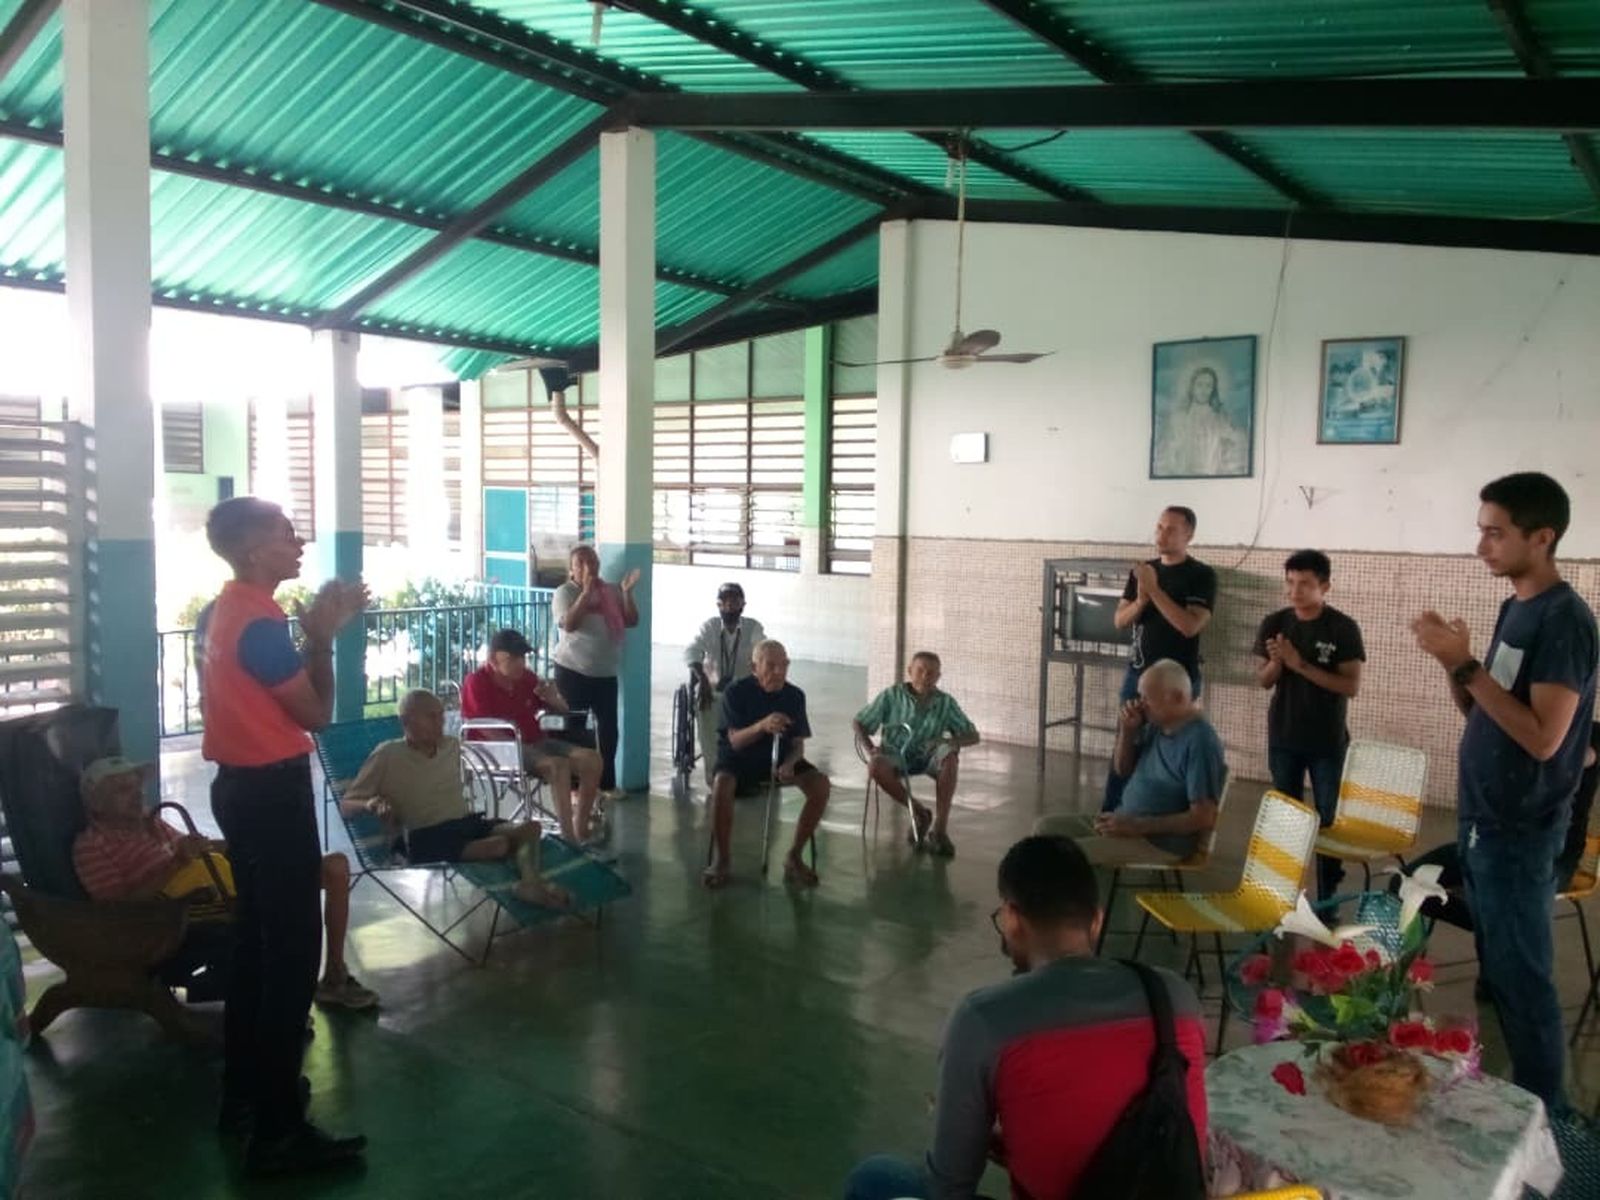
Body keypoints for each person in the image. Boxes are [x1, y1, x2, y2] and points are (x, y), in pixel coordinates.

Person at [842, 835, 1208, 1200]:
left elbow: (949, 1190)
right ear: (1096, 921)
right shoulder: (1175, 997)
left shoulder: (984, 1020)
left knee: (875, 1179)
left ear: (1012, 919)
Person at [1411, 471, 1596, 1114]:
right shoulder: (1515, 607)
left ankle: (1551, 1122)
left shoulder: (1564, 622)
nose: (1481, 545)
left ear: (1542, 537)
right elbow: (1489, 713)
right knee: (1428, 900)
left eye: (1496, 532)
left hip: (1521, 831)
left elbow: (1544, 738)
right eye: (1481, 530)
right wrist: (1453, 667)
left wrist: (1465, 664)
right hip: (1482, 823)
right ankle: (1517, 1106)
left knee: (1525, 984)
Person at [197, 496, 368, 1175]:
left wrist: (311, 632)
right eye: (283, 533)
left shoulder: (226, 609)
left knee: (256, 950)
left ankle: (243, 1098)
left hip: (239, 790)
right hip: (270, 796)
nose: (298, 540)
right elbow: (317, 714)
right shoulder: (261, 626)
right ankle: (277, 1129)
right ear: (250, 552)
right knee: (289, 960)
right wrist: (322, 637)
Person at [72, 756, 377, 1012]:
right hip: (181, 916)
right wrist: (176, 863)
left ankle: (335, 974)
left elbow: (198, 852)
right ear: (96, 804)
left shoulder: (152, 822)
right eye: (122, 789)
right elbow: (114, 910)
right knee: (277, 919)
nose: (137, 793)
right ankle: (278, 1009)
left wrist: (243, 846)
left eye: (136, 785)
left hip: (223, 887)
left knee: (335, 867)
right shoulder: (92, 845)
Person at [340, 690, 570, 908]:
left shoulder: (450, 745)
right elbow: (347, 805)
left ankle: (530, 883)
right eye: (431, 717)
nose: (440, 722)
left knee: (530, 828)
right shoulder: (387, 754)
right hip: (424, 837)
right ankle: (529, 879)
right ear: (406, 722)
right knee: (498, 845)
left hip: (464, 824)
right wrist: (370, 804)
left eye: (441, 715)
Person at [1252, 550, 1365, 899]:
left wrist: (1299, 664)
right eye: (1290, 582)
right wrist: (1277, 662)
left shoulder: (1342, 628)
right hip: (1284, 735)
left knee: (1328, 817)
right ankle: (1282, 883)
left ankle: (1328, 889)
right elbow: (1264, 680)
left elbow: (1351, 686)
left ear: (1324, 586)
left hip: (1327, 741)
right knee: (1285, 813)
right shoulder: (1275, 623)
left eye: (1304, 584)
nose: (1295, 591)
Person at [1039, 659, 1224, 867]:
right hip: (1125, 821)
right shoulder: (1157, 724)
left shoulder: (1200, 741)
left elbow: (1203, 817)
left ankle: (1077, 897)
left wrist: (1138, 826)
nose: (1140, 704)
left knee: (1065, 857)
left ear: (1177, 697)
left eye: (1147, 698)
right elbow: (1122, 770)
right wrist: (1128, 731)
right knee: (1045, 830)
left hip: (1158, 841)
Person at [1105, 506, 1217, 811]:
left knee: (1170, 751)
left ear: (1189, 535)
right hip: (1138, 677)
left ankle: (1163, 822)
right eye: (1159, 527)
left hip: (1177, 683)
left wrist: (1153, 591)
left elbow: (1189, 625)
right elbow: (1120, 620)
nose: (1161, 535)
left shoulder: (1201, 575)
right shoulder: (1142, 572)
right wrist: (1141, 599)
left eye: (1171, 529)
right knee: (1125, 745)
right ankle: (1113, 814)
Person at [704, 639, 831, 890]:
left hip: (780, 759)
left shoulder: (794, 696)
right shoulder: (736, 693)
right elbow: (736, 741)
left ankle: (794, 856)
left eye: (784, 665)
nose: (779, 672)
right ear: (754, 667)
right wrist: (761, 726)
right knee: (722, 784)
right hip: (739, 760)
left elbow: (797, 744)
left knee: (820, 785)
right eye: (771, 666)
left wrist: (790, 763)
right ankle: (723, 859)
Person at [460, 629, 605, 847]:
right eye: (513, 658)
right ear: (493, 659)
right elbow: (485, 727)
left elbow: (563, 709)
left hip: (535, 740)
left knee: (591, 759)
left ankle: (581, 827)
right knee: (557, 766)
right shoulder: (476, 682)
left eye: (522, 657)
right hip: (499, 748)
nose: (520, 663)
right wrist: (518, 747)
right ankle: (569, 838)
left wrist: (552, 697)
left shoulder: (527, 678)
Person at [852, 651, 980, 858]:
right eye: (920, 671)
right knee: (875, 765)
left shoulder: (945, 702)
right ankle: (919, 812)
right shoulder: (892, 695)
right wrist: (871, 748)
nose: (925, 677)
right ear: (910, 671)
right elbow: (859, 722)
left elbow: (973, 735)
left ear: (938, 677)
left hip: (928, 757)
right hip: (895, 755)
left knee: (950, 757)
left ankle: (939, 830)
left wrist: (949, 741)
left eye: (931, 673)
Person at [551, 545, 640, 798]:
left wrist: (626, 593)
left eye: (593, 560)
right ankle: (574, 787)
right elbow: (569, 624)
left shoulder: (610, 591)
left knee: (609, 730)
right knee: (574, 730)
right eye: (582, 562)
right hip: (572, 671)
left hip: (605, 673)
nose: (590, 566)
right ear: (572, 570)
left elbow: (632, 620)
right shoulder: (564, 592)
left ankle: (607, 784)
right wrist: (586, 592)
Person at [684, 582, 766, 788]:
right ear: (718, 605)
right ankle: (715, 773)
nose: (729, 606)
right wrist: (702, 678)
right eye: (725, 602)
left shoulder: (753, 627)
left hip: (742, 691)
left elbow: (762, 647)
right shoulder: (709, 626)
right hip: (712, 690)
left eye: (735, 602)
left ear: (743, 605)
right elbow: (692, 651)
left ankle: (744, 770)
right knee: (703, 704)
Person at [1155, 365, 1248, 477]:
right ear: (1192, 387)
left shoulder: (1219, 419)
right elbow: (1166, 451)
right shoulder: (1179, 418)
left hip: (1212, 474)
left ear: (1213, 389)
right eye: (1199, 384)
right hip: (1184, 476)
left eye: (1208, 386)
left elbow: (1237, 440)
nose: (1204, 390)